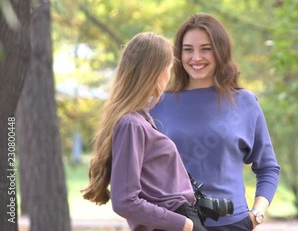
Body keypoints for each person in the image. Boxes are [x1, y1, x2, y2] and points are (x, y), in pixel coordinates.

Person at [150, 13, 281, 231]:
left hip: (232, 224)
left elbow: (268, 167)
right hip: (172, 224)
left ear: (220, 51)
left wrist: (256, 215)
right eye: (188, 49)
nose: (196, 57)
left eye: (206, 49)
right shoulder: (158, 104)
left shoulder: (244, 103)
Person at [81, 32, 206, 231]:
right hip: (171, 222)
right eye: (168, 68)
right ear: (155, 72)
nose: (169, 75)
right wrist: (183, 223)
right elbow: (124, 201)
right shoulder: (131, 124)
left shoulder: (141, 118)